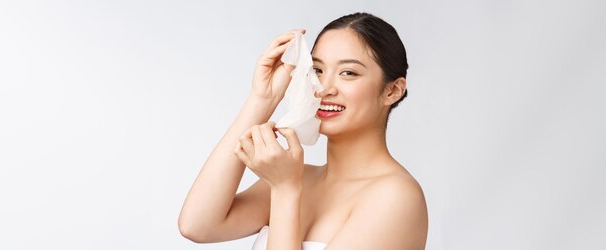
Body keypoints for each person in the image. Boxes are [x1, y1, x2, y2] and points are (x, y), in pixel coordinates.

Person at [178, 12, 428, 250]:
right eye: (317, 70)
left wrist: (285, 191)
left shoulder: (396, 197)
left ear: (392, 90)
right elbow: (197, 225)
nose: (323, 88)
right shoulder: (299, 178)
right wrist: (263, 99)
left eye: (348, 73)